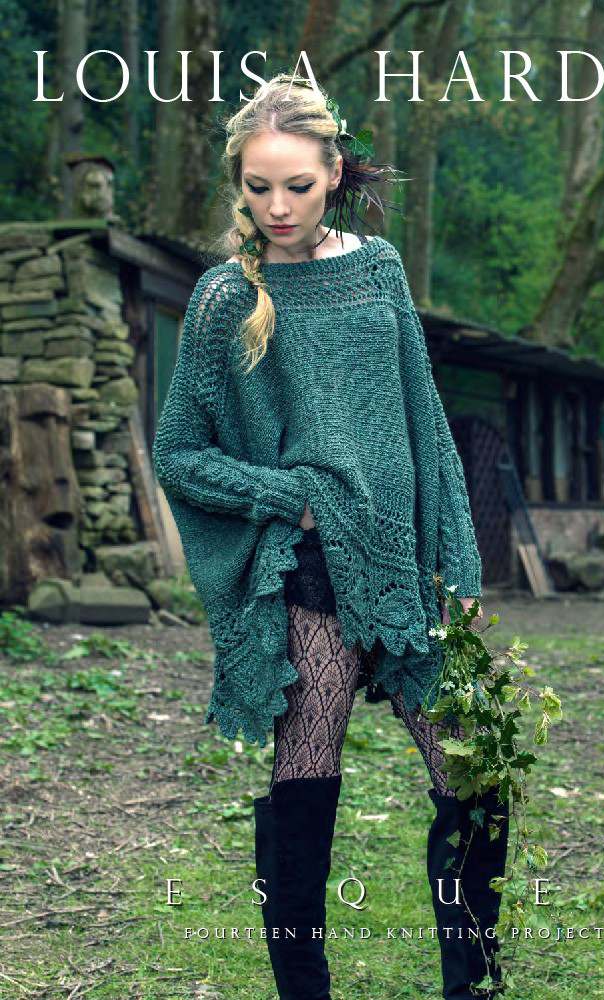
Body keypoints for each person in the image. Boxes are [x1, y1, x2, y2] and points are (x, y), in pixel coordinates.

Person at [152, 72, 509, 1000]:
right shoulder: (225, 297)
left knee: (477, 773)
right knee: (306, 780)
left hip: (406, 566)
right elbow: (179, 453)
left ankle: (473, 984)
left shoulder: (378, 269)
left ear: (335, 173)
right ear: (238, 182)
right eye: (258, 186)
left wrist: (460, 564)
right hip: (307, 572)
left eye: (298, 186)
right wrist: (292, 498)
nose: (278, 206)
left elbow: (427, 425)